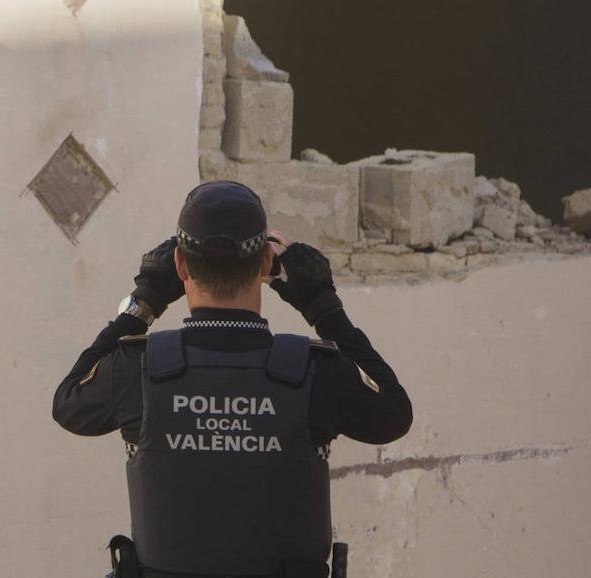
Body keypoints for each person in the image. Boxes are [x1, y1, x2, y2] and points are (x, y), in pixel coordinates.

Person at [52, 180, 413, 578]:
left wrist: (144, 303)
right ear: (263, 264)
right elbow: (394, 413)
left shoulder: (136, 369)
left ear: (180, 265)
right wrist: (322, 307)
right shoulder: (316, 372)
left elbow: (67, 402)